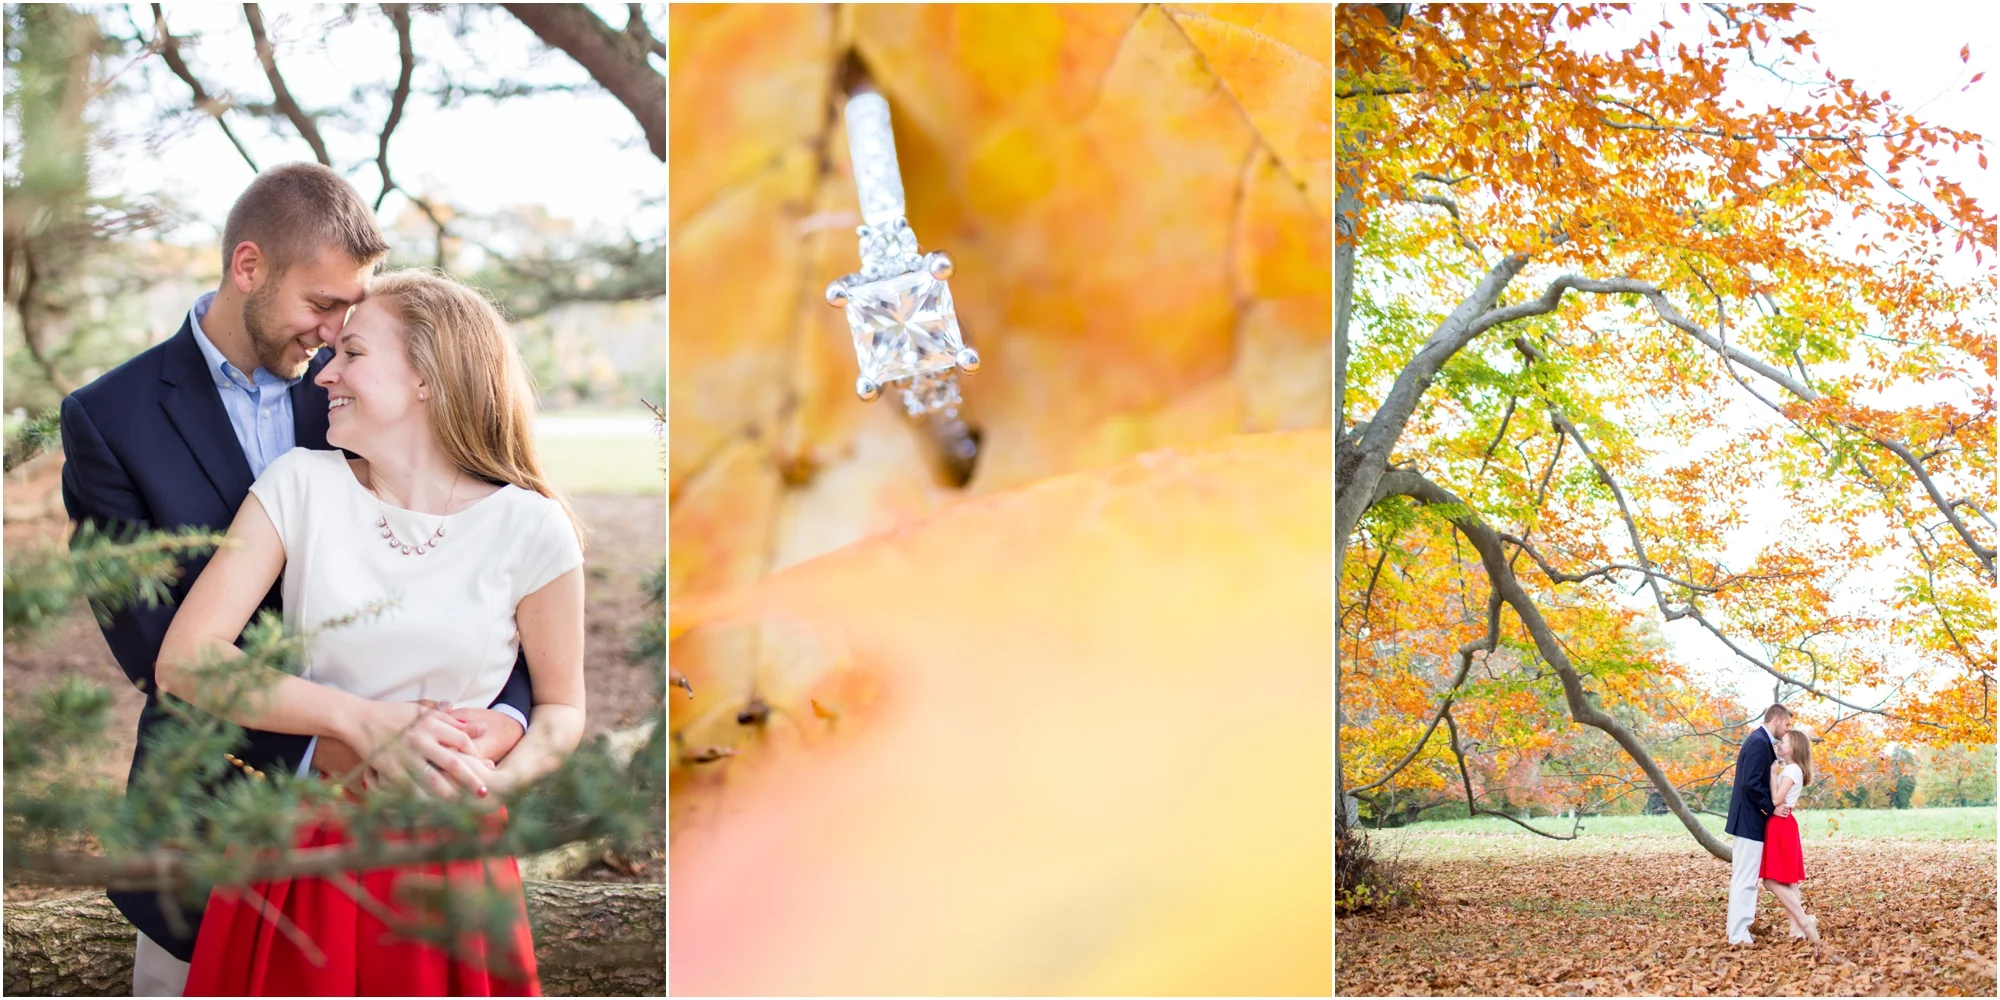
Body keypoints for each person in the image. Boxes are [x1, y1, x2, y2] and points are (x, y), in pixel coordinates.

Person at [57, 163, 537, 995]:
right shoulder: (110, 419)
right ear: (249, 268)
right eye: (320, 306)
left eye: (350, 315)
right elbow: (152, 647)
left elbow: (480, 562)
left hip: (399, 838)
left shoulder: (370, 387)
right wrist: (349, 736)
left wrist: (500, 715)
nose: (332, 336)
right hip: (211, 820)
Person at [161, 267, 586, 994]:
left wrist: (484, 789)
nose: (324, 373)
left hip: (447, 856)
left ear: (427, 375)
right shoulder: (299, 485)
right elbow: (188, 661)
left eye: (353, 353)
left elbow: (561, 710)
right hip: (300, 849)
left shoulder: (532, 526)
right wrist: (364, 722)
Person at [1723, 703, 1792, 945]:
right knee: (1745, 878)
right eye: (1786, 724)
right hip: (1748, 820)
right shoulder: (1759, 744)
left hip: (1751, 819)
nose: (1786, 730)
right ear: (1775, 719)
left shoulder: (1760, 742)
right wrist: (1772, 807)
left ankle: (1738, 930)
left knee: (1745, 877)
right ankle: (1738, 934)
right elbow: (1750, 784)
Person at [1760, 728, 1819, 944]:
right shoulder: (1792, 769)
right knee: (1789, 879)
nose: (1779, 744)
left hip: (1781, 824)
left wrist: (1772, 775)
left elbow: (1776, 799)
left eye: (1783, 741)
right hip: (1784, 823)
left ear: (1794, 746)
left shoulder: (1792, 770)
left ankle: (1803, 922)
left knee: (1770, 881)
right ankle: (1796, 931)